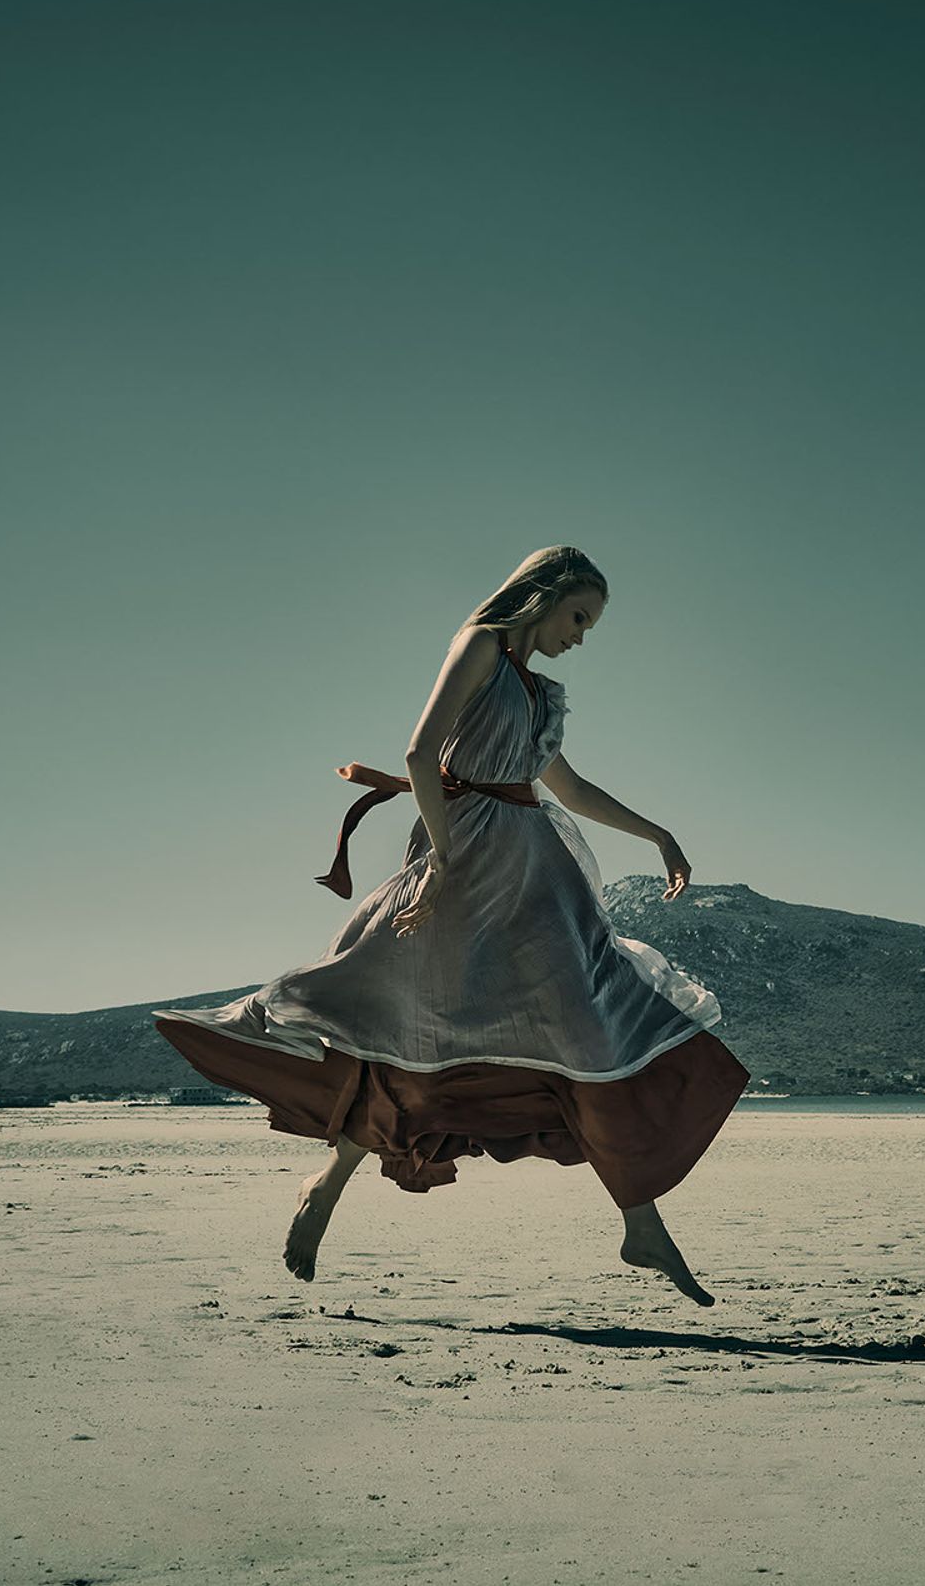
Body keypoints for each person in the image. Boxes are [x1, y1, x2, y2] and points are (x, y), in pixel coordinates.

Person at [152, 546, 748, 1305]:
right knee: (409, 1032)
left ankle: (641, 1222)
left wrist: (659, 834)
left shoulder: (540, 694)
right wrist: (439, 859)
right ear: (541, 596)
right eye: (577, 617)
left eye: (589, 626)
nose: (580, 636)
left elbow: (567, 787)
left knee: (586, 1033)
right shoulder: (480, 646)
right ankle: (327, 1185)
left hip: (535, 876)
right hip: (462, 861)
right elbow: (419, 753)